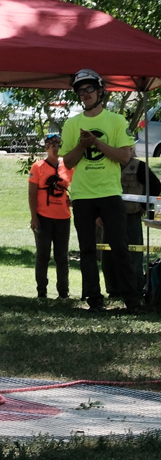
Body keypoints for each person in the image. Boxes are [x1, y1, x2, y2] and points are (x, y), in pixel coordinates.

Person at [59, 68, 142, 315]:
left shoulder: (116, 121)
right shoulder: (72, 124)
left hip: (110, 193)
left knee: (120, 247)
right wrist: (82, 146)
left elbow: (125, 157)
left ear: (100, 90)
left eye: (89, 89)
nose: (85, 94)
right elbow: (68, 162)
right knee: (86, 250)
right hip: (83, 195)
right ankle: (94, 300)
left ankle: (132, 301)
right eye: (81, 91)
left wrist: (95, 142)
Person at [100, 148, 161, 297]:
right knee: (108, 254)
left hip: (131, 217)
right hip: (109, 218)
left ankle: (136, 289)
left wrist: (144, 206)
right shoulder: (106, 165)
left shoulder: (139, 167)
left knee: (134, 255)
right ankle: (113, 290)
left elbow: (156, 185)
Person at [28, 133, 74, 299]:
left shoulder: (68, 167)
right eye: (52, 145)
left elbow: (78, 188)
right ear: (46, 148)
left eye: (58, 145)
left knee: (62, 256)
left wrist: (72, 201)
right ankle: (42, 291)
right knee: (43, 255)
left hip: (63, 217)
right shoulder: (38, 167)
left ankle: (63, 291)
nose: (55, 148)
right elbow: (32, 194)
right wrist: (34, 217)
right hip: (43, 217)